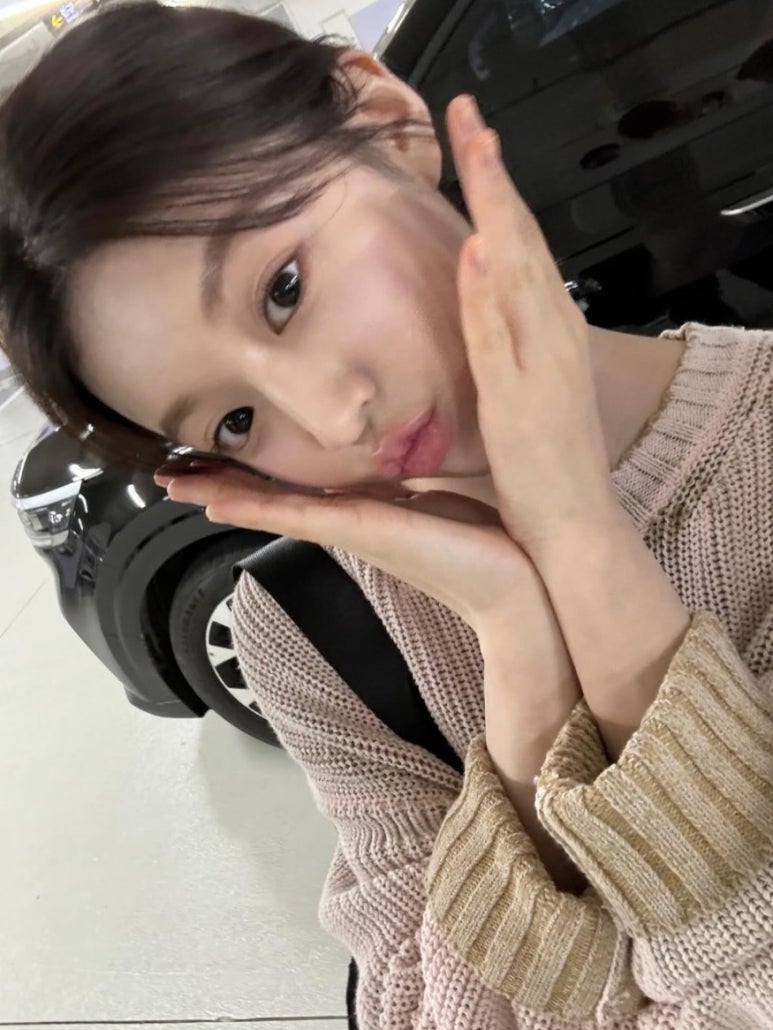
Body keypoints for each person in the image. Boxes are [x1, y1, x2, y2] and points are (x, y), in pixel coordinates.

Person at [0, 5, 771, 1027]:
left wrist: (583, 542)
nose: (334, 416)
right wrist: (517, 651)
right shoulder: (308, 636)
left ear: (383, 116)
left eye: (283, 289)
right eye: (236, 420)